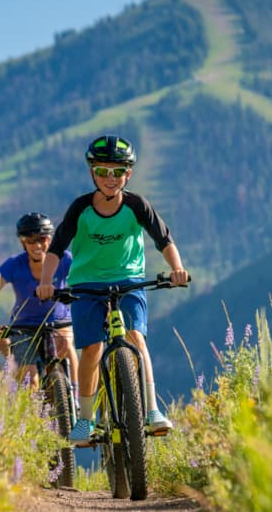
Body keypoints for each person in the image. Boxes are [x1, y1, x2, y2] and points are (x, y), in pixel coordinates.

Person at [36, 134, 189, 443]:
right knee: (92, 348)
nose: (110, 178)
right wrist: (46, 282)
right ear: (92, 173)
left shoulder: (136, 205)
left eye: (118, 171)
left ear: (128, 174)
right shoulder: (81, 208)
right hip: (86, 283)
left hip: (129, 280)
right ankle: (86, 419)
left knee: (136, 339)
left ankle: (151, 410)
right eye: (103, 171)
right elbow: (56, 248)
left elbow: (163, 239)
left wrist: (177, 269)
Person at [0, 212, 79, 392]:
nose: (37, 245)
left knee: (66, 346)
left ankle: (76, 396)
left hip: (58, 321)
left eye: (42, 239)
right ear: (23, 242)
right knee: (30, 382)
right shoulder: (14, 264)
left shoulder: (65, 259)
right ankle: (38, 407)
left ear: (50, 239)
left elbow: (86, 277)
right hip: (24, 327)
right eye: (30, 241)